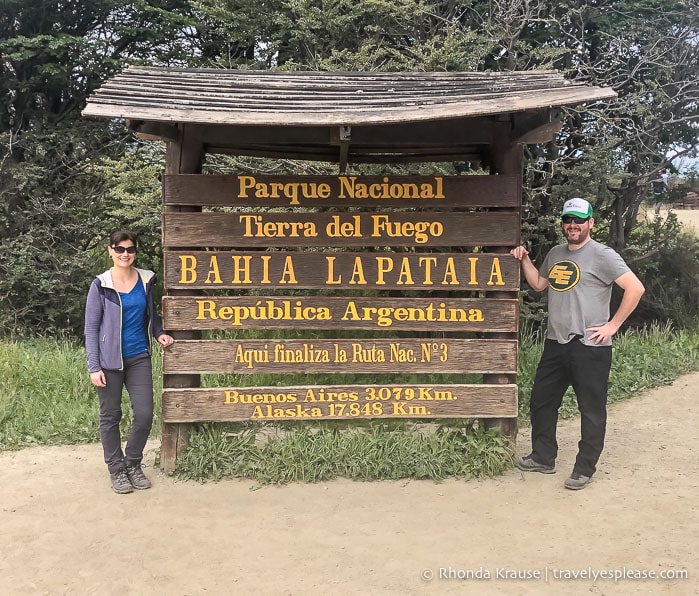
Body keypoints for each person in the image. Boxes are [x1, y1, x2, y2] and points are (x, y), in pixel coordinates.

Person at [510, 198, 645, 490]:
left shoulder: (603, 255)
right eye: (568, 220)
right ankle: (543, 457)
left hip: (590, 346)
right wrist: (523, 259)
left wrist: (613, 325)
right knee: (542, 402)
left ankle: (584, 468)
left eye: (579, 220)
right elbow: (538, 284)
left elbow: (635, 288)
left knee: (591, 409)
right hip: (555, 343)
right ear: (563, 224)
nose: (573, 225)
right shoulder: (556, 253)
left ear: (591, 223)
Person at [84, 231, 174, 494]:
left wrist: (159, 333)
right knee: (110, 416)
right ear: (110, 250)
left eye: (130, 249)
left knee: (145, 414)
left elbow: (151, 313)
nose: (125, 254)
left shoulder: (145, 280)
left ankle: (133, 463)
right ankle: (116, 470)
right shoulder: (100, 285)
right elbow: (91, 328)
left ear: (136, 252)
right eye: (119, 249)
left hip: (138, 357)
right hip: (108, 362)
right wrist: (93, 366)